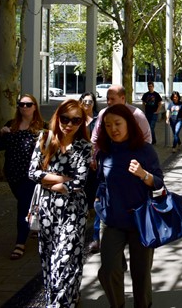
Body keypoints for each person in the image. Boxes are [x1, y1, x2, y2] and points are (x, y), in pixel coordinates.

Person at [94, 104, 164, 308]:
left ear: (129, 124)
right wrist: (98, 201)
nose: (113, 129)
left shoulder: (144, 150)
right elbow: (101, 181)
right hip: (113, 221)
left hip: (141, 221)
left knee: (141, 274)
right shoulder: (104, 152)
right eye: (107, 125)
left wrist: (144, 175)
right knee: (108, 269)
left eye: (117, 123)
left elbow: (159, 182)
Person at [29, 99, 92, 307]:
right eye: (65, 118)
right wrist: (62, 179)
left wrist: (51, 181)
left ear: (81, 123)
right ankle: (65, 298)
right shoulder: (45, 138)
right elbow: (32, 173)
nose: (69, 124)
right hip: (47, 211)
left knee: (65, 261)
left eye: (76, 120)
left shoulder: (84, 146)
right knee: (49, 261)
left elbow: (80, 182)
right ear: (58, 116)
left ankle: (58, 305)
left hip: (73, 212)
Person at [0, 94, 45, 260]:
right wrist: (1, 134)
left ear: (34, 106)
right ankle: (36, 226)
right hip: (12, 174)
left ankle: (20, 243)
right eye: (21, 104)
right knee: (27, 202)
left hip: (31, 175)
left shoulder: (41, 127)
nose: (24, 107)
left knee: (23, 206)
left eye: (28, 104)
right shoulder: (11, 125)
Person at [79, 91, 102, 253]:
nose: (87, 104)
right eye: (84, 101)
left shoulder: (97, 120)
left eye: (90, 102)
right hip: (78, 165)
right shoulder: (75, 119)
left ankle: (96, 237)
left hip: (95, 164)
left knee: (96, 196)